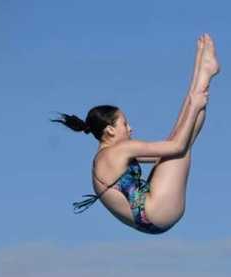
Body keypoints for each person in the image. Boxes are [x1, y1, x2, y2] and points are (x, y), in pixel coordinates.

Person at [52, 34, 220, 234]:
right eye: (125, 124)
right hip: (157, 211)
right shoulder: (120, 150)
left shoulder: (104, 157)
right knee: (181, 144)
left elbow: (169, 147)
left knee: (178, 139)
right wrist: (193, 107)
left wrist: (194, 106)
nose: (130, 128)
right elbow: (178, 146)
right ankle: (202, 75)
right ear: (110, 130)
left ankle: (203, 71)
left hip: (151, 216)